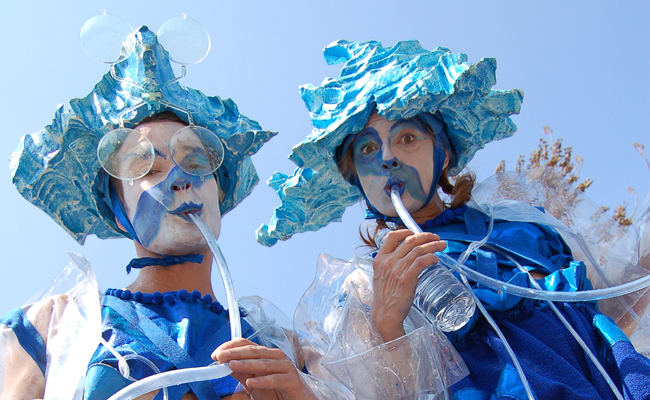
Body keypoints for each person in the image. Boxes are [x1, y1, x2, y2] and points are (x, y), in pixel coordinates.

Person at [257, 40, 650, 399]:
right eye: (368, 148)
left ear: (443, 154)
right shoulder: (363, 285)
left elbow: (610, 311)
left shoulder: (525, 227)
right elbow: (386, 393)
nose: (388, 158)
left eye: (407, 138)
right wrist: (387, 324)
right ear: (359, 181)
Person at [0, 24, 319, 400]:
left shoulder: (287, 349)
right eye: (146, 169)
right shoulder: (53, 326)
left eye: (195, 162)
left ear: (221, 191)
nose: (179, 180)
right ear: (118, 211)